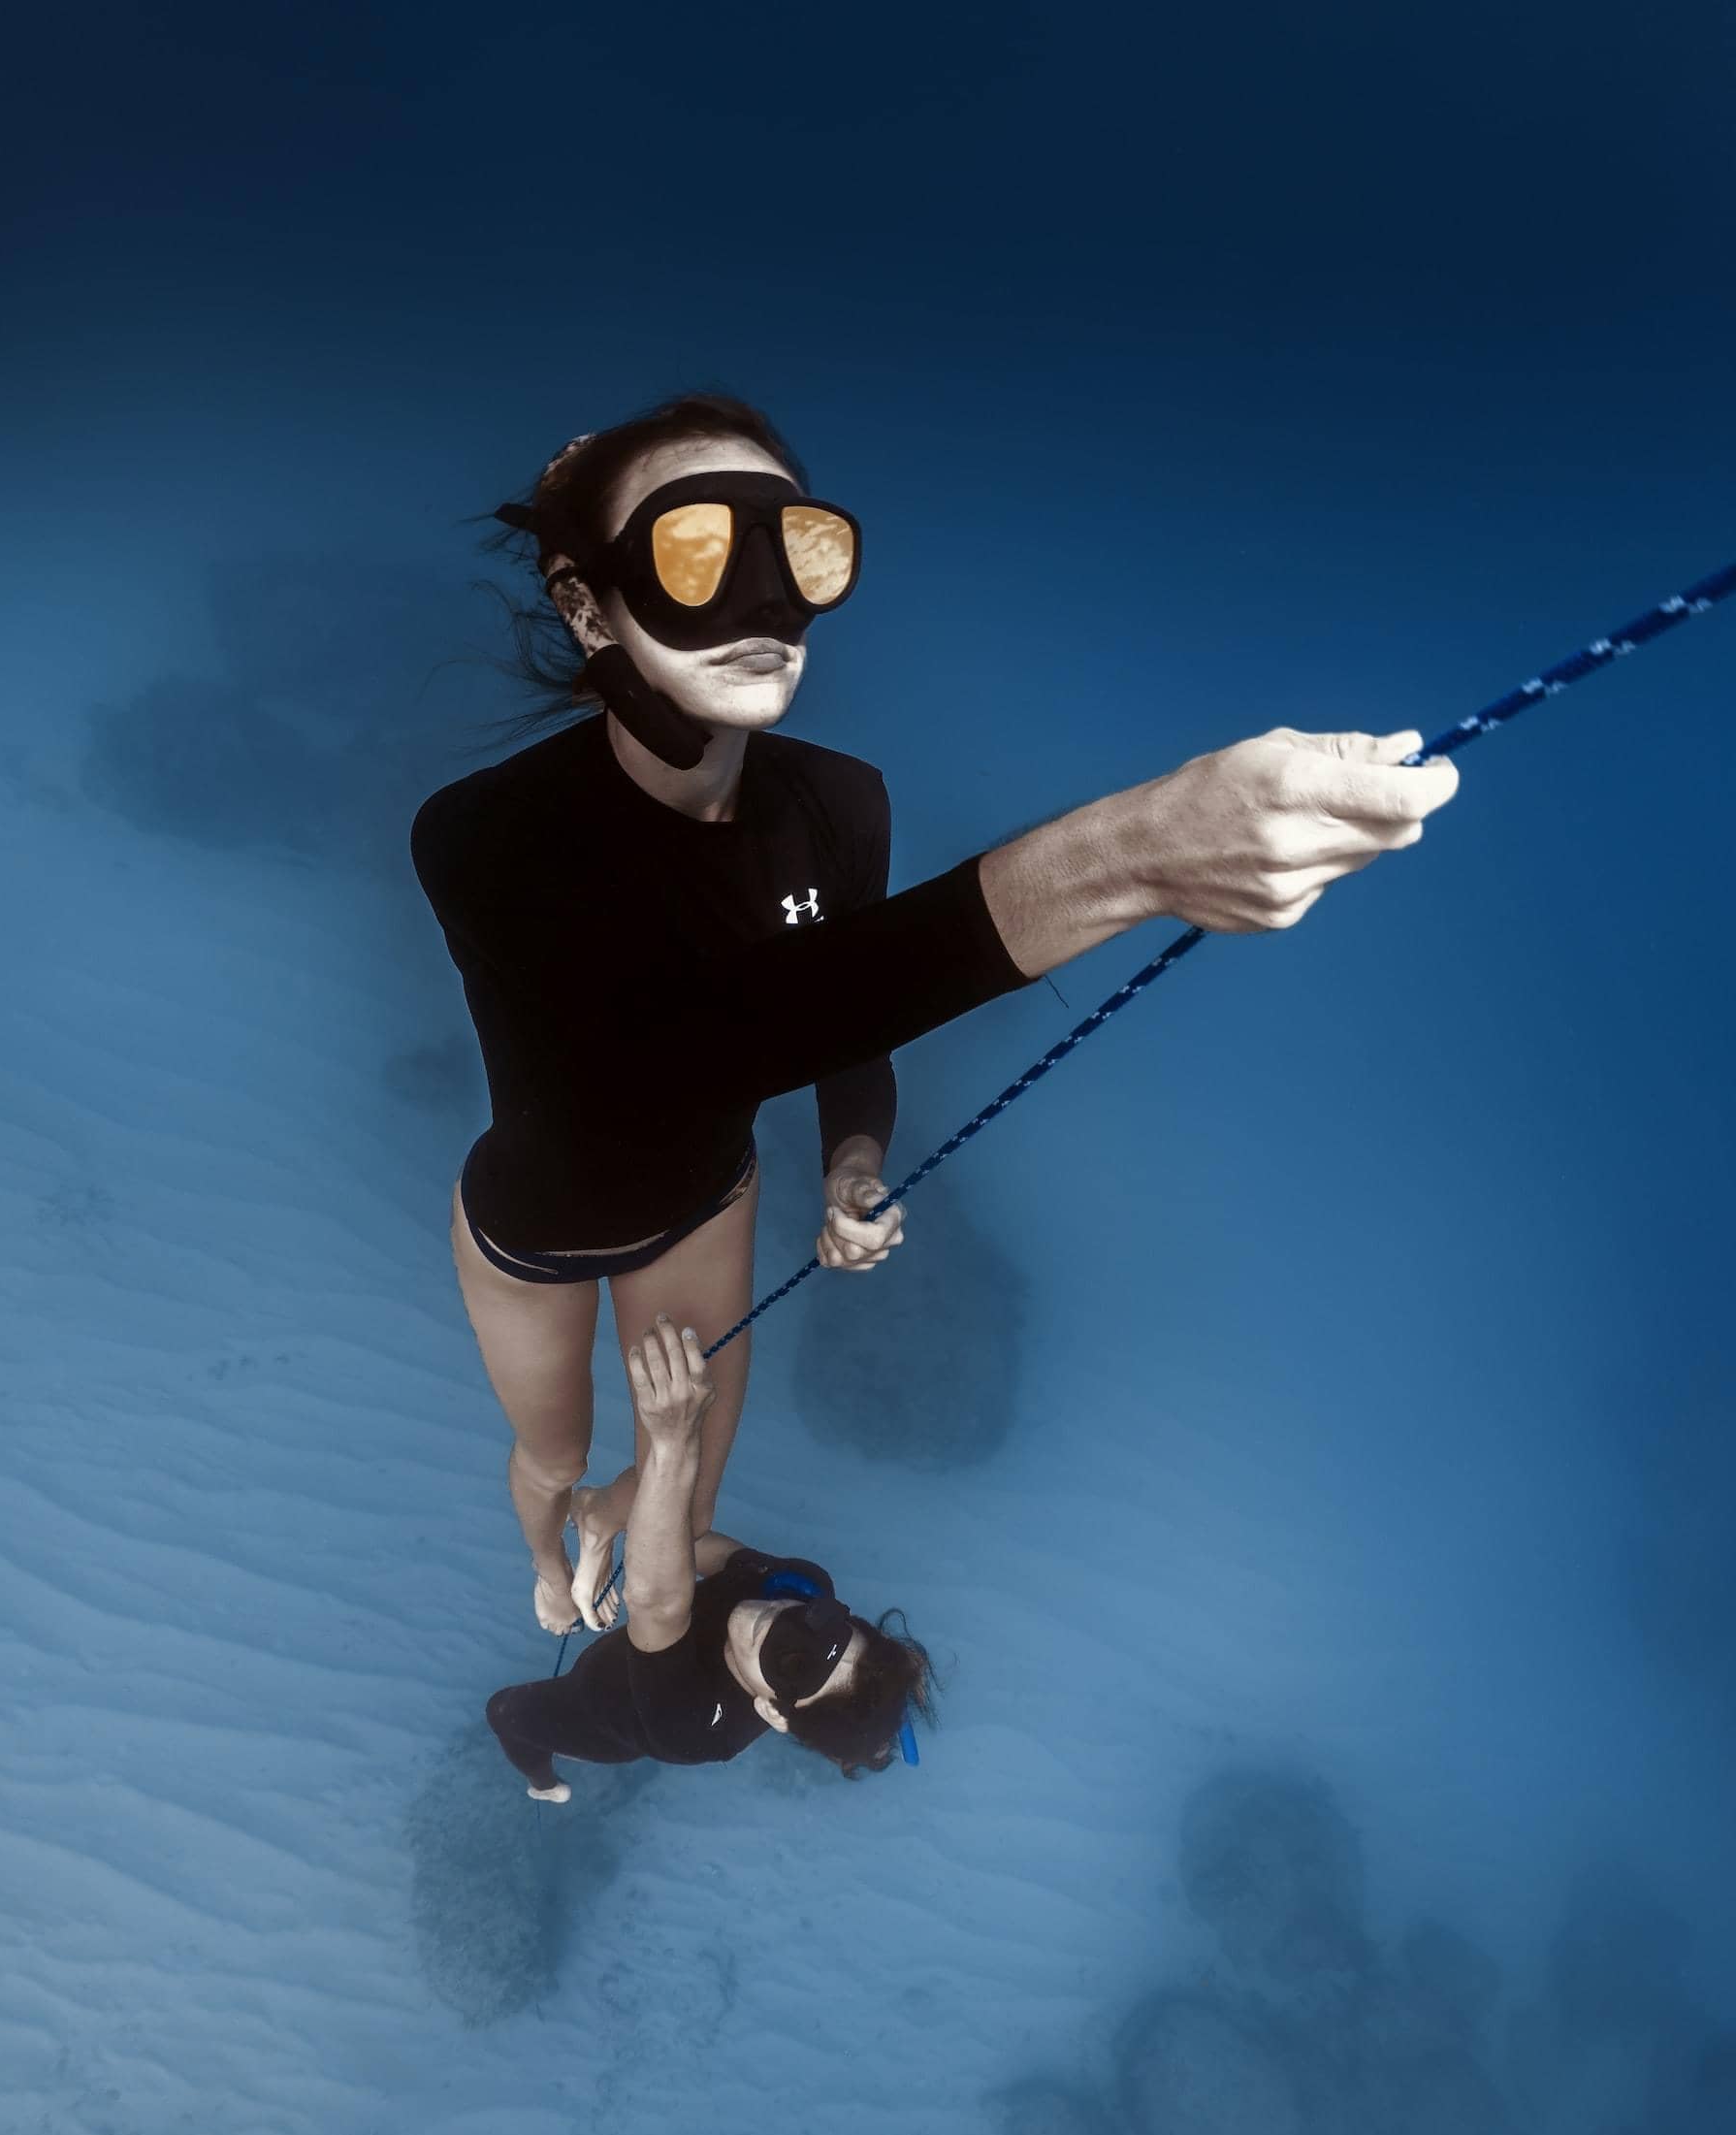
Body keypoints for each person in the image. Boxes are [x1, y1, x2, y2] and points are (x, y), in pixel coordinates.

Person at [413, 389, 1459, 1641]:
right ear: (590, 609)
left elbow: (847, 1025)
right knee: (553, 1451)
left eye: (797, 551)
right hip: (535, 1228)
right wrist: (1126, 856)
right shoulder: (484, 837)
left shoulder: (842, 804)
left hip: (706, 1203)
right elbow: (681, 1049)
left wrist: (852, 1161)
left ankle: (599, 1519)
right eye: (696, 553)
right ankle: (546, 1555)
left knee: (679, 1504)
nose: (763, 601)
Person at [485, 1314, 935, 1801]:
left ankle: (543, 1786)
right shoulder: (799, 1585)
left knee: (506, 1714)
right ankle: (598, 1517)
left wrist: (673, 1443)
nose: (781, 1619)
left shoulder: (696, 1729)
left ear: (773, 1712)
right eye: (821, 1623)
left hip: (601, 1715)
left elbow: (656, 1601)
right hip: (617, 1653)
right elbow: (694, 1541)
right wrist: (609, 1524)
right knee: (682, 1510)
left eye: (794, 1663)